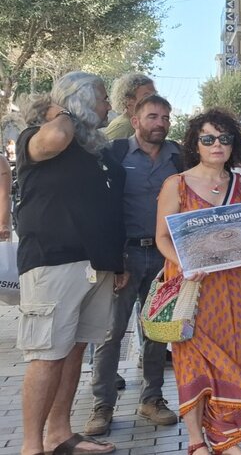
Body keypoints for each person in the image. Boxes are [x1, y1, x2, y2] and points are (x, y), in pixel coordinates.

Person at [154, 109, 241, 454]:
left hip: (238, 285)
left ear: (234, 143)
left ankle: (224, 437)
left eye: (224, 138)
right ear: (195, 143)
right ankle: (197, 441)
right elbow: (162, 237)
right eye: (208, 139)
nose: (216, 145)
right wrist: (184, 264)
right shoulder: (176, 184)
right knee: (194, 359)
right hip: (194, 286)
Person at [17, 72, 125, 455]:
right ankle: (32, 446)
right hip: (53, 261)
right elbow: (57, 137)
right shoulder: (38, 137)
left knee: (75, 349)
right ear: (80, 102)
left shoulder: (92, 149)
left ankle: (59, 434)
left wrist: (117, 260)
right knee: (47, 356)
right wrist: (62, 110)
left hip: (96, 263)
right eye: (102, 98)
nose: (109, 106)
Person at [86, 95, 181, 437]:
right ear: (135, 120)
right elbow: (99, 208)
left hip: (164, 257)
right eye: (153, 116)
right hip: (124, 257)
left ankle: (152, 399)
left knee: (157, 331)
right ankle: (102, 405)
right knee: (111, 333)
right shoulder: (114, 153)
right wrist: (110, 259)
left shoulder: (178, 156)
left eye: (165, 117)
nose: (160, 123)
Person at [103, 72, 155, 140]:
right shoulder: (124, 127)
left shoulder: (136, 125)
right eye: (146, 96)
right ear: (128, 100)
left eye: (155, 95)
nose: (154, 100)